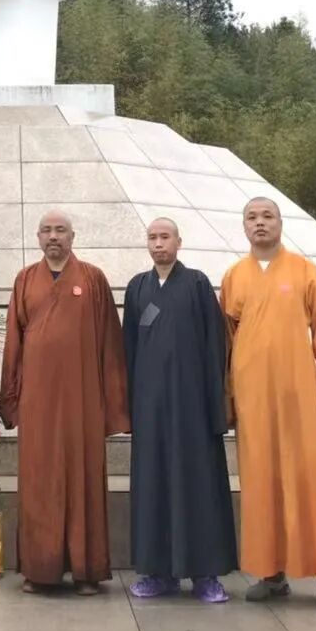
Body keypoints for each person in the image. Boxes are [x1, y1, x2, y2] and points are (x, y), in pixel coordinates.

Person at [220, 197, 316, 613]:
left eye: (268, 216)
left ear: (281, 223)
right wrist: (229, 401)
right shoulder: (234, 277)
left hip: (299, 397)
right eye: (252, 217)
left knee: (311, 480)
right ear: (244, 226)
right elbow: (226, 344)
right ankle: (271, 573)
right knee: (261, 482)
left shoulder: (304, 271)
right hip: (254, 397)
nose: (260, 223)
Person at [0, 210, 129, 594]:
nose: (53, 236)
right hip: (38, 401)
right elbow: (14, 345)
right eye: (47, 231)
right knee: (40, 479)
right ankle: (40, 570)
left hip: (83, 400)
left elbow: (110, 344)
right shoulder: (25, 280)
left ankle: (87, 570)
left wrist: (113, 404)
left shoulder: (92, 279)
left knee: (83, 478)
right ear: (38, 237)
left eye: (60, 230)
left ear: (73, 236)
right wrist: (12, 399)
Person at [124, 217, 238, 600]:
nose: (158, 244)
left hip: (193, 408)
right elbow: (129, 349)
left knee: (198, 485)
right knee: (152, 484)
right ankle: (158, 573)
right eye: (152, 238)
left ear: (179, 242)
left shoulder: (197, 284)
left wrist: (213, 403)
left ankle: (205, 575)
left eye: (165, 237)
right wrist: (133, 405)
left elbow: (215, 343)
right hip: (150, 408)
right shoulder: (138, 287)